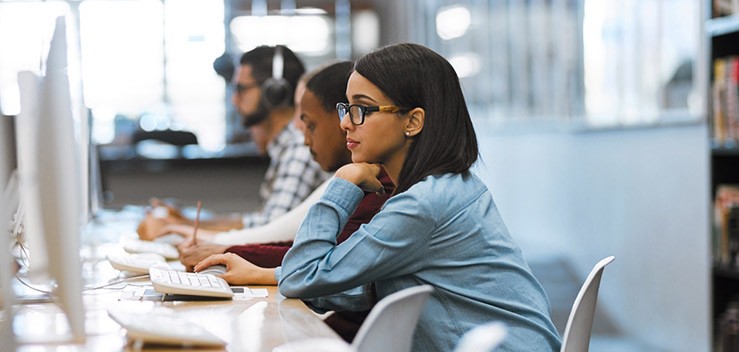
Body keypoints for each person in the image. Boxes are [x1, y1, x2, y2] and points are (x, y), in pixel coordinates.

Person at [197, 43, 561, 351]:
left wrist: (344, 181)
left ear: (413, 121)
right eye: (346, 108)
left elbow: (305, 275)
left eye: (362, 109)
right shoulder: (446, 186)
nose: (345, 122)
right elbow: (372, 287)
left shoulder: (422, 205)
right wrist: (267, 274)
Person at [176, 61, 390, 269]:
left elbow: (318, 264)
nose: (298, 129)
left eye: (361, 110)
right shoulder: (364, 176)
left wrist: (223, 250)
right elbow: (309, 254)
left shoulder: (377, 186)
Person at [139, 45, 326, 237]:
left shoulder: (299, 149)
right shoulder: (286, 148)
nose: (234, 100)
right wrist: (185, 221)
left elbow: (269, 232)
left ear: (274, 93)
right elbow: (259, 222)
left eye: (241, 89)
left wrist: (181, 227)